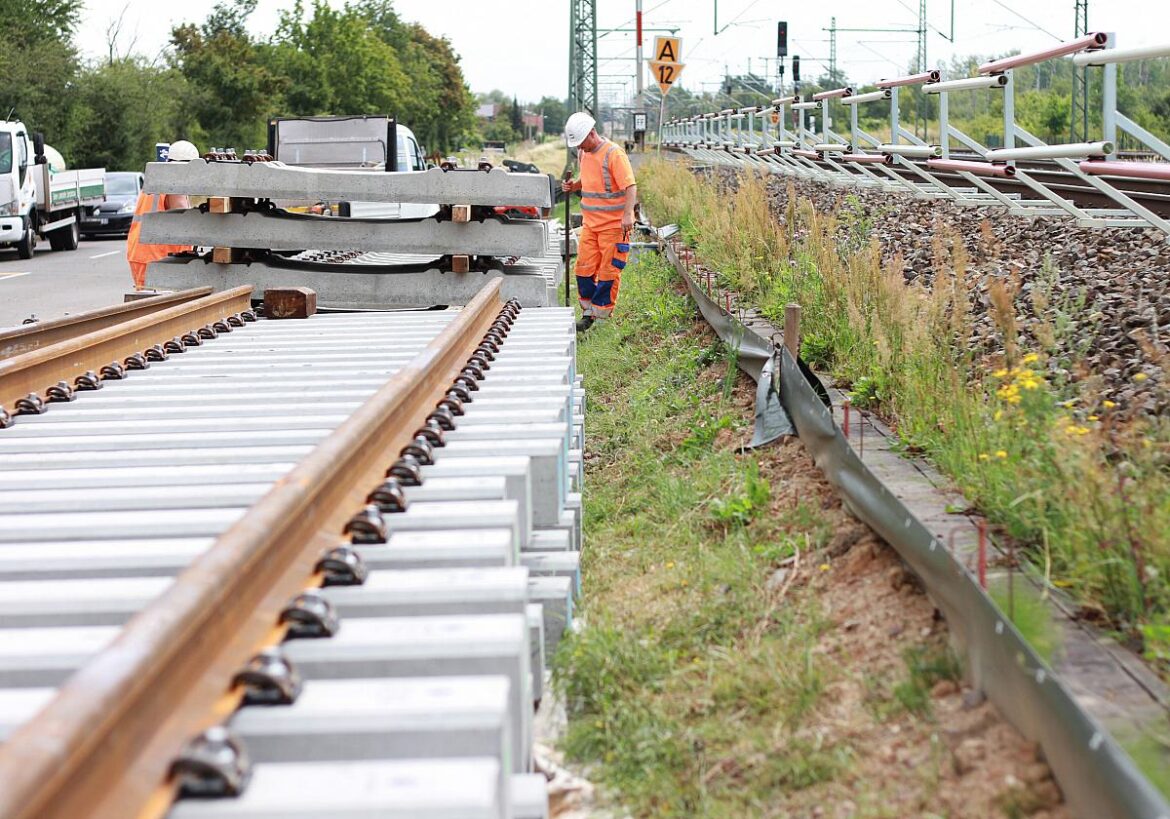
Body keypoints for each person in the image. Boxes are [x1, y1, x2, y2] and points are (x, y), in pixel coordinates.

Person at [562, 112, 637, 333]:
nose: (580, 147)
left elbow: (630, 186)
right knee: (583, 269)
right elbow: (588, 179)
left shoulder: (614, 154)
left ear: (592, 133)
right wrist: (574, 186)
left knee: (608, 272)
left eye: (581, 142)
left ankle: (601, 318)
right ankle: (588, 313)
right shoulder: (583, 153)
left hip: (613, 227)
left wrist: (628, 214)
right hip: (590, 225)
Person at [125, 139, 197, 289]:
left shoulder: (157, 180)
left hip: (142, 253)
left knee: (147, 298)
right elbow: (185, 218)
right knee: (159, 299)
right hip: (156, 256)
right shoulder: (175, 182)